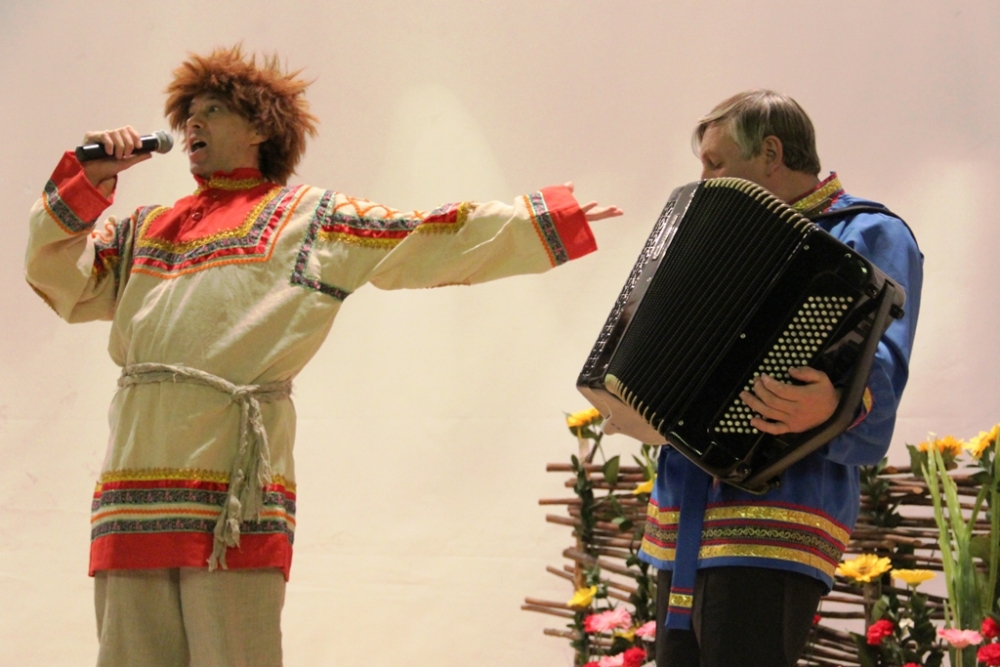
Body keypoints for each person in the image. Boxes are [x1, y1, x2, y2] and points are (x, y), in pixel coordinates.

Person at [24, 46, 621, 667]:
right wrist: (88, 178)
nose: (192, 125)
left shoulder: (308, 219)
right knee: (128, 655)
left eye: (213, 110)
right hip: (133, 476)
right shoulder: (146, 229)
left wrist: (545, 219)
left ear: (260, 128)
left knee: (234, 652)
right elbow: (61, 279)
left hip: (232, 478)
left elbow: (424, 233)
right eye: (188, 115)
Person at [636, 90, 923, 667]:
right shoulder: (713, 234)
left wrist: (837, 402)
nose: (705, 179)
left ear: (771, 153)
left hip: (778, 507)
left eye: (716, 163)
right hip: (684, 511)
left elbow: (882, 364)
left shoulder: (869, 232)